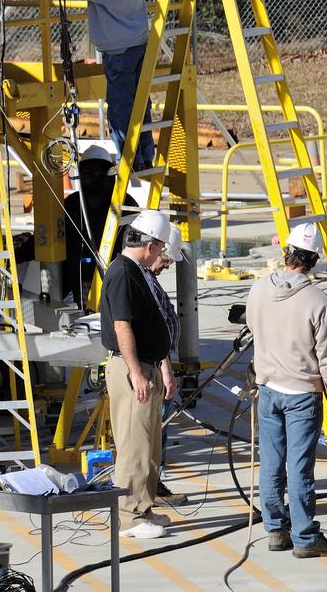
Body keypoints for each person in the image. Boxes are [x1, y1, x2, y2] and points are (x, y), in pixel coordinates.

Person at [23, 0, 155, 170]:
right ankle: (144, 157)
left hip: (119, 51)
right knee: (140, 103)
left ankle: (131, 162)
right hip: (139, 43)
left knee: (120, 110)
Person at [246, 222, 327, 559]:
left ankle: (275, 530)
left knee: (271, 463)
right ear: (314, 258)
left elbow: (251, 324)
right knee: (300, 468)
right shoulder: (319, 301)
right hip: (302, 394)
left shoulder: (258, 289)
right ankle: (304, 537)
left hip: (268, 389)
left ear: (286, 252)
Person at [99, 209, 177, 539]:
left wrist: (162, 365)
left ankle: (143, 508)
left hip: (147, 365)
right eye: (161, 249)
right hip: (133, 368)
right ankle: (129, 517)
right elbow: (122, 326)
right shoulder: (123, 274)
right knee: (134, 445)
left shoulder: (137, 271)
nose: (162, 255)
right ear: (149, 245)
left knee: (149, 445)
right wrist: (136, 373)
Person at [61, 145, 135, 309]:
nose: (88, 175)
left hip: (117, 280)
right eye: (85, 171)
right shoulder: (72, 204)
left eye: (94, 170)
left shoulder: (125, 204)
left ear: (106, 173)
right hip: (80, 281)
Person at [145, 226, 188, 507]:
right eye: (166, 260)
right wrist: (166, 370)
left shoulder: (149, 278)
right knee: (153, 431)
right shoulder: (145, 281)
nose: (167, 266)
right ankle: (150, 489)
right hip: (155, 366)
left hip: (158, 363)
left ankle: (153, 485)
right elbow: (156, 329)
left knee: (158, 431)